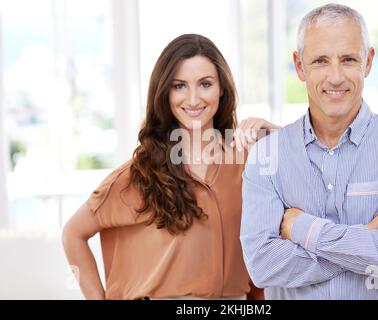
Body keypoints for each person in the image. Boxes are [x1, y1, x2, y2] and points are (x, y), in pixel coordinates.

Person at [240, 3, 378, 299]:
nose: (335, 77)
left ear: (368, 62)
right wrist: (366, 241)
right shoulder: (267, 157)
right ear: (299, 66)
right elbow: (263, 265)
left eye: (347, 59)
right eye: (320, 61)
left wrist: (302, 229)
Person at [62, 34, 277, 300]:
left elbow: (263, 244)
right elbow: (73, 234)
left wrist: (279, 137)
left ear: (222, 88)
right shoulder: (137, 175)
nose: (194, 99)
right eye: (179, 86)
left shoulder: (247, 164)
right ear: (165, 92)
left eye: (205, 84)